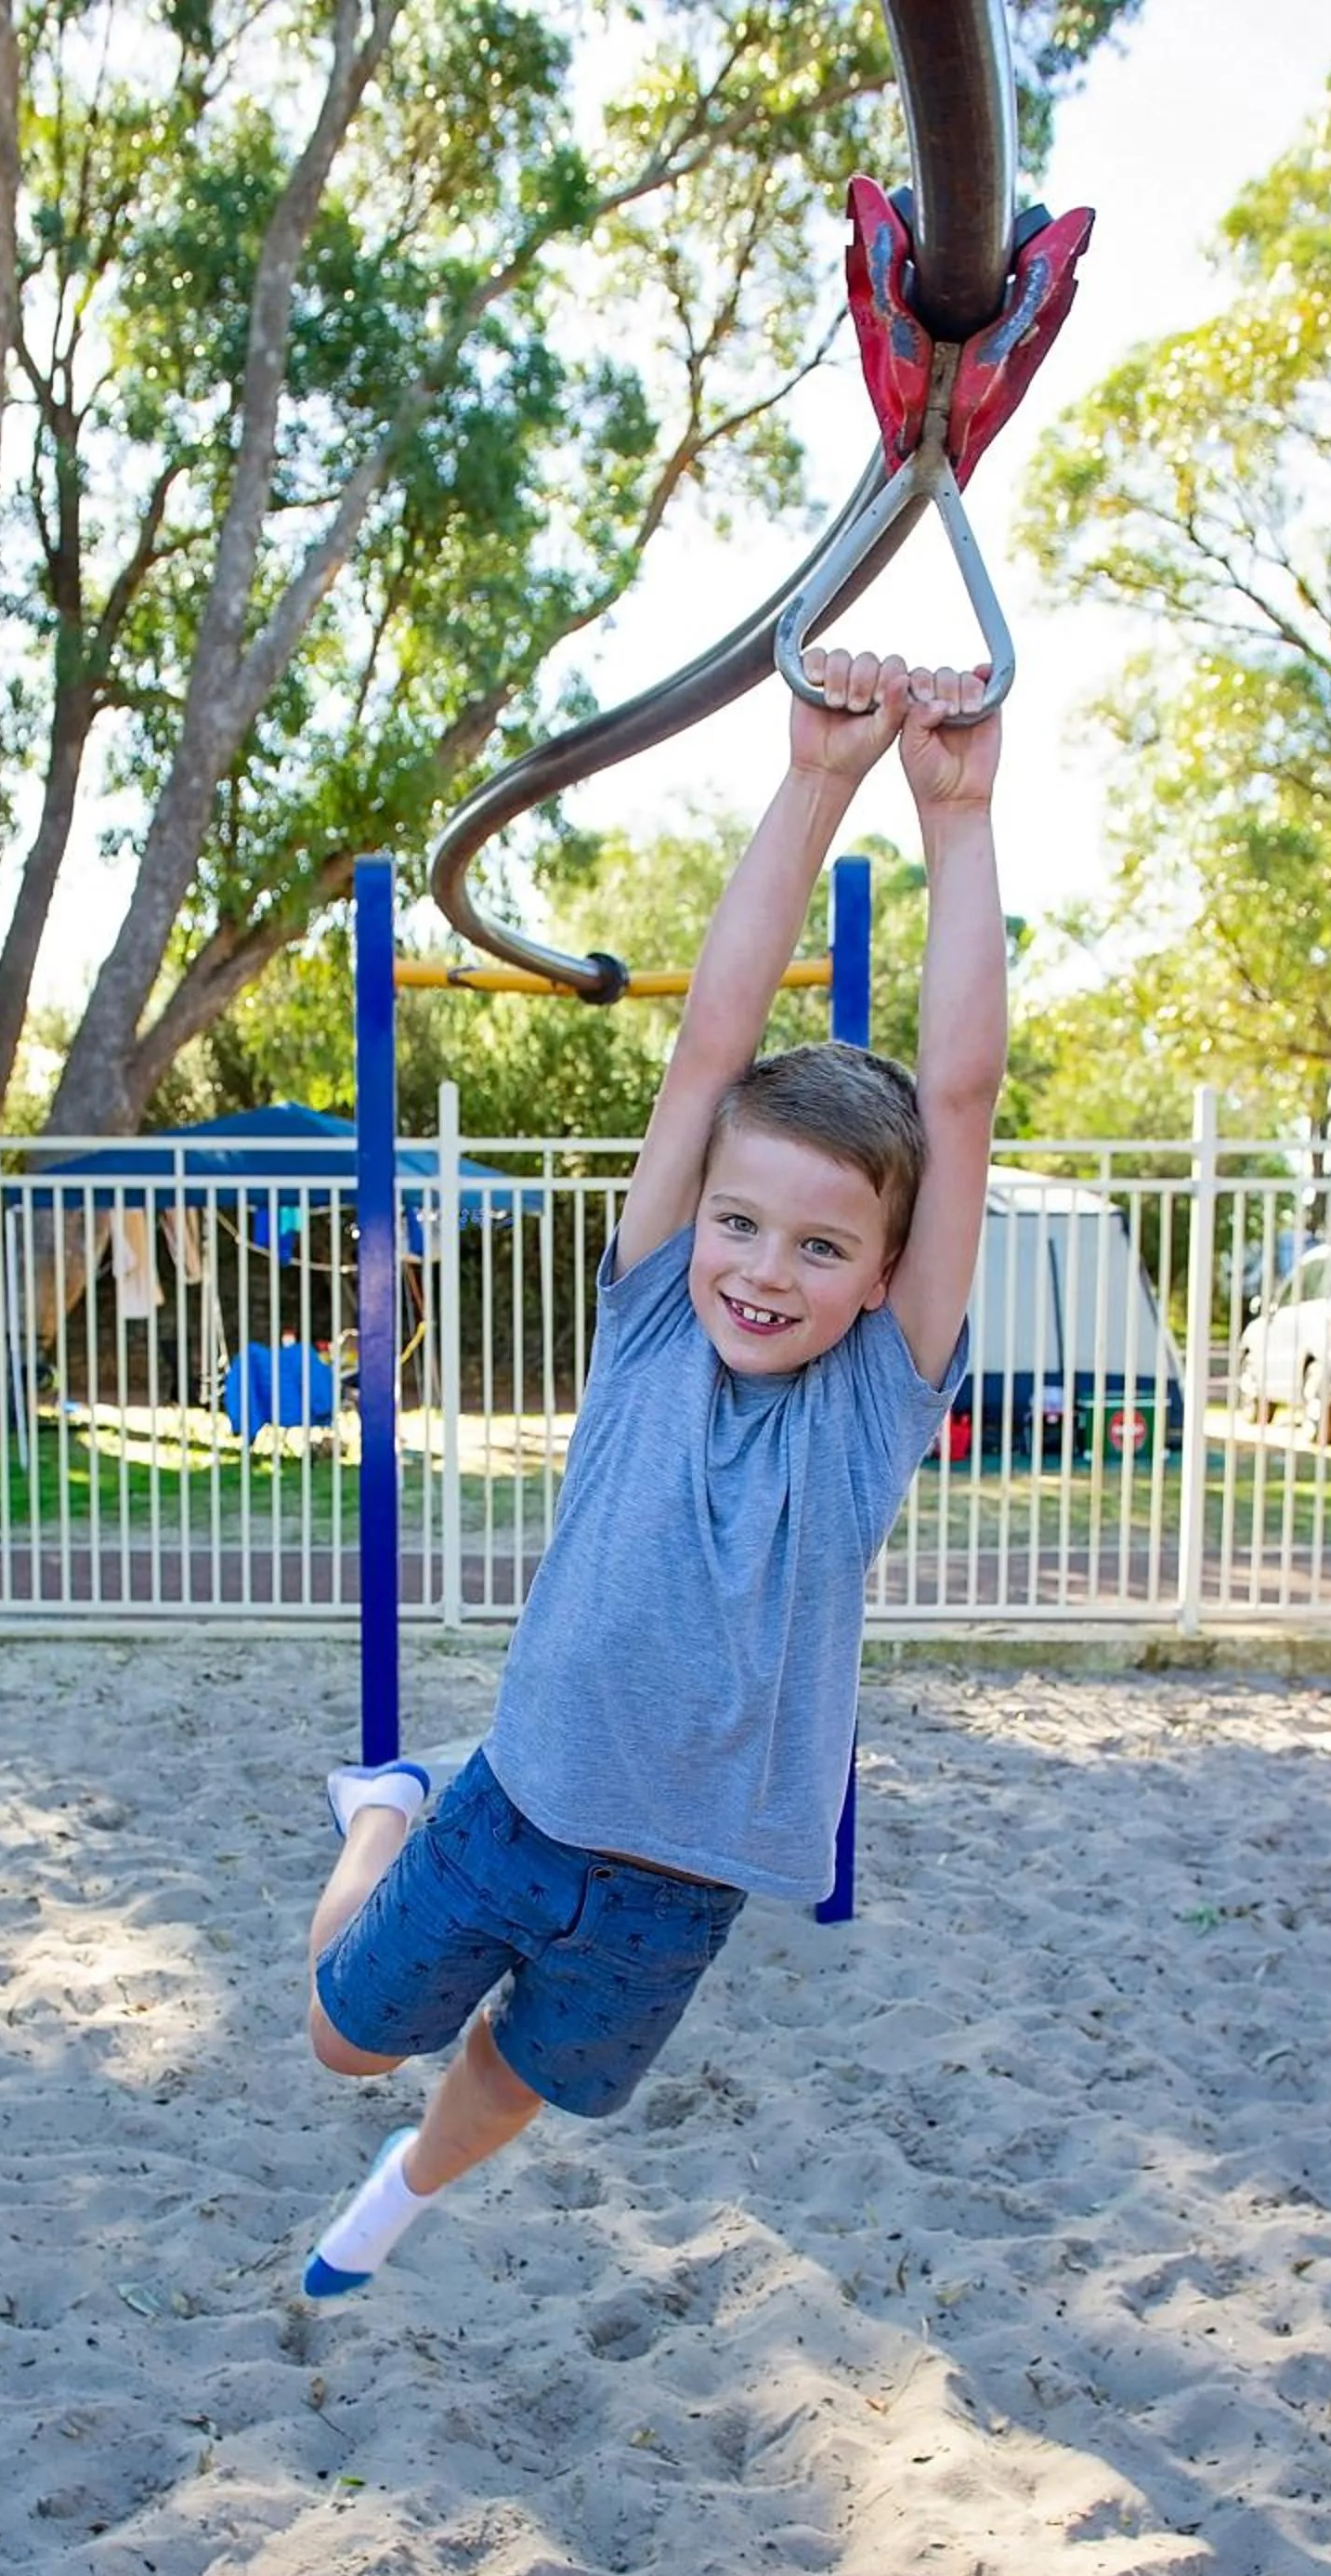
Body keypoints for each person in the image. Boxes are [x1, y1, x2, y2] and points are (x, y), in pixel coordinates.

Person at [300, 643, 1007, 2295]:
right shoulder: (651, 1333)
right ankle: (381, 1809)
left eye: (822, 1245)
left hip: (684, 1887)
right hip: (515, 1805)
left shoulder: (866, 1414)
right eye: (741, 1222)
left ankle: (391, 2209)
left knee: (531, 2081)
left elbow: (960, 1104)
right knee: (345, 2039)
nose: (761, 1267)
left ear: (888, 1274)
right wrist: (820, 778)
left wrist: (960, 818)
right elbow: (709, 1044)